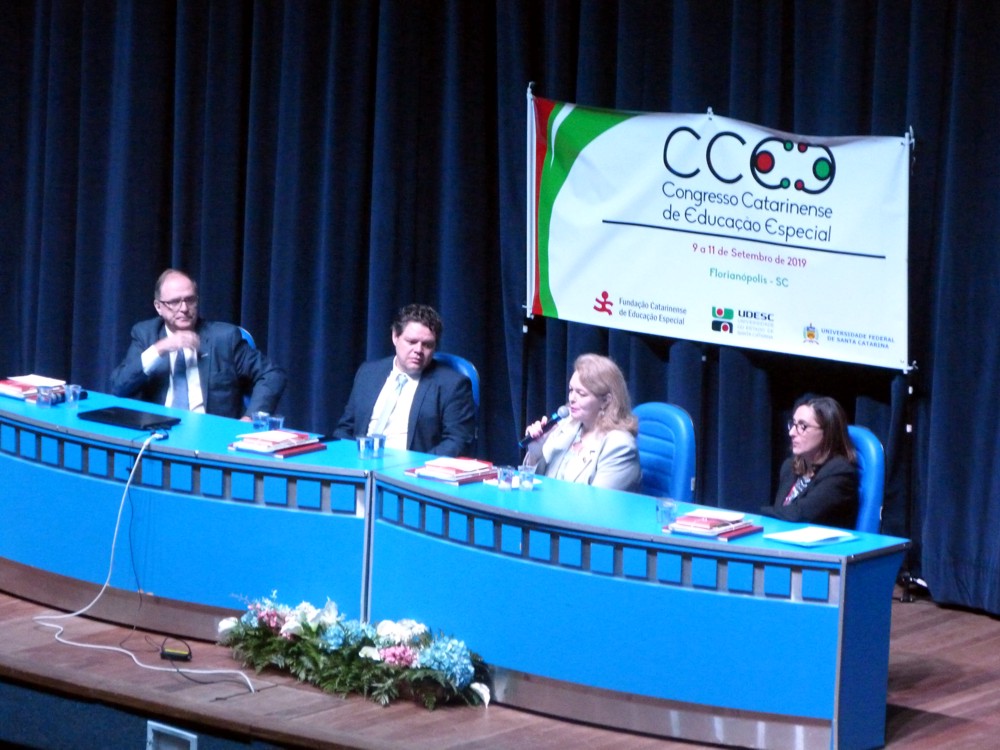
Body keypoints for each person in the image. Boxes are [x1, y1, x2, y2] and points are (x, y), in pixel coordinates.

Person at [110, 269, 287, 420]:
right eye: (174, 302)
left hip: (211, 437)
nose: (184, 309)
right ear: (158, 307)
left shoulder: (224, 338)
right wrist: (161, 348)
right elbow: (119, 387)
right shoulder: (146, 334)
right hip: (158, 433)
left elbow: (272, 374)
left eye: (190, 300)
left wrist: (251, 418)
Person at [333, 303, 475, 456]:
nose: (418, 350)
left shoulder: (453, 385)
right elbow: (346, 428)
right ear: (395, 336)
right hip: (360, 464)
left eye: (427, 345)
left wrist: (415, 467)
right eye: (412, 342)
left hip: (409, 473)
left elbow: (457, 442)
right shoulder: (368, 372)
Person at [522, 353, 641, 492]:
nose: (572, 398)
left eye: (581, 393)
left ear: (605, 401)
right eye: (571, 390)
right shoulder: (565, 425)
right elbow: (533, 484)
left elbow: (598, 505)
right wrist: (536, 453)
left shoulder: (619, 446)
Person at [762, 395, 859, 528]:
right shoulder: (790, 467)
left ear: (828, 432)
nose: (791, 432)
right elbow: (782, 514)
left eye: (802, 426)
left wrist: (756, 515)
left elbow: (799, 514)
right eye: (793, 424)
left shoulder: (840, 473)